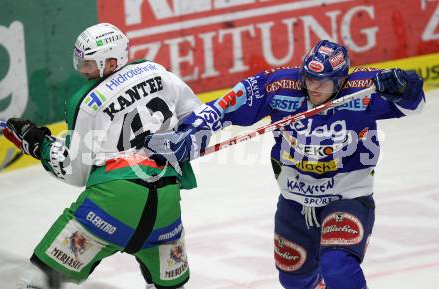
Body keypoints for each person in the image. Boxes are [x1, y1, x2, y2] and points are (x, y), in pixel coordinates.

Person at [144, 40, 425, 289]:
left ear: (340, 81)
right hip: (293, 201)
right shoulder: (281, 86)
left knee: (338, 267)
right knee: (292, 277)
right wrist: (192, 130)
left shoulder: (366, 87)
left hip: (347, 198)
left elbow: (414, 103)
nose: (313, 87)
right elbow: (225, 104)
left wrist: (405, 85)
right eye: (310, 78)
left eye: (323, 82)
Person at [2, 23, 201, 289]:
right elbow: (200, 120)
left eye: (88, 64)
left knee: (41, 279)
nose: (83, 71)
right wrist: (181, 141)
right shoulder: (158, 72)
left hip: (110, 207)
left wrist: (40, 145)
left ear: (110, 61)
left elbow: (76, 172)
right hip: (165, 206)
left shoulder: (87, 101)